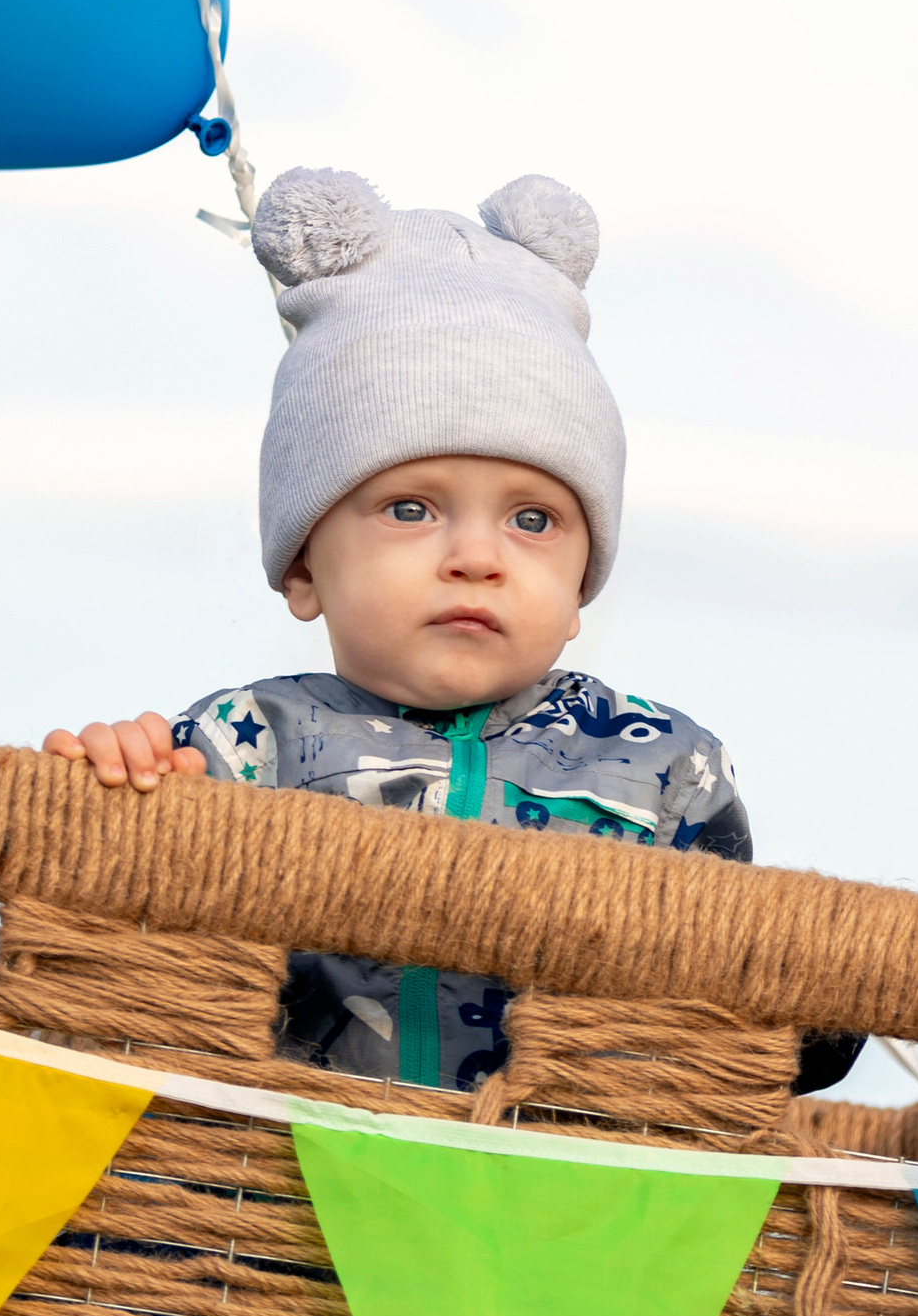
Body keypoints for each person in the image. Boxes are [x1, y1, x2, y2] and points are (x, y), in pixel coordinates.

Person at [45, 164, 858, 1098]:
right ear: (303, 567)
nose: (477, 555)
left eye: (533, 520)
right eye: (410, 508)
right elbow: (112, 981)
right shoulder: (243, 748)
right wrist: (116, 803)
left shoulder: (664, 768)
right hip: (279, 1170)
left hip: (558, 1176)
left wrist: (824, 982)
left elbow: (769, 1047)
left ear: (581, 585)